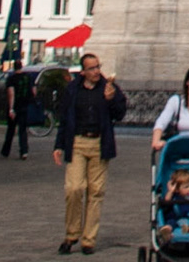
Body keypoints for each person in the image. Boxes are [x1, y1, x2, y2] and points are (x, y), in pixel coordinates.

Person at [52, 53, 127, 255]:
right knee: (74, 188)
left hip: (99, 144)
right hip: (77, 142)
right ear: (83, 71)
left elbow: (120, 113)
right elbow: (65, 118)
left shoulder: (108, 87)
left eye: (98, 67)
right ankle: (71, 234)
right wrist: (59, 145)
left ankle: (88, 239)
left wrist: (111, 100)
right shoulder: (73, 89)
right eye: (91, 68)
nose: (96, 71)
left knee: (95, 192)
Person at [156, 167, 189, 245]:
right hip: (177, 217)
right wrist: (171, 191)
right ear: (177, 189)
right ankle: (167, 229)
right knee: (171, 221)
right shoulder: (175, 196)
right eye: (186, 187)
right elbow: (167, 201)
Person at [1, 66, 36, 159]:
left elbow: (11, 93)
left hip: (16, 106)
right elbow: (34, 91)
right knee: (23, 130)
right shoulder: (28, 77)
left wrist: (11, 109)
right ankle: (24, 151)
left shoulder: (11, 79)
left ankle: (6, 151)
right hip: (25, 106)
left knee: (11, 130)